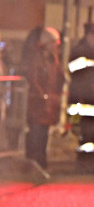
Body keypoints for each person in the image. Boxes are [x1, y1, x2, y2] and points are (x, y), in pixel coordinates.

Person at [21, 27, 65, 169]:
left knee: (44, 133)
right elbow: (33, 78)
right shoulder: (36, 58)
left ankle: (41, 160)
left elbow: (58, 77)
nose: (56, 46)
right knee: (36, 132)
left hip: (48, 103)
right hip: (38, 103)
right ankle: (34, 160)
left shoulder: (53, 59)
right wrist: (41, 95)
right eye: (54, 43)